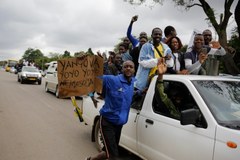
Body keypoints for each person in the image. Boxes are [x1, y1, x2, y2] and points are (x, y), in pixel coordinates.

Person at [86, 60, 136, 160]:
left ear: (134, 69)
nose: (128, 68)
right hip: (107, 122)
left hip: (119, 125)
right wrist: (91, 95)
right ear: (122, 69)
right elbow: (92, 78)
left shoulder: (132, 82)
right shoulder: (112, 80)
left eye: (131, 67)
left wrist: (141, 92)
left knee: (107, 152)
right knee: (113, 156)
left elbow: (130, 94)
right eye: (126, 66)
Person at [135, 27, 173, 92]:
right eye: (156, 34)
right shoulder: (146, 46)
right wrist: (158, 60)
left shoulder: (166, 47)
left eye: (159, 34)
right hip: (144, 82)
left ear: (162, 36)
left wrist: (169, 59)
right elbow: (142, 62)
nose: (157, 36)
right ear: (152, 35)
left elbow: (170, 65)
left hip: (159, 80)